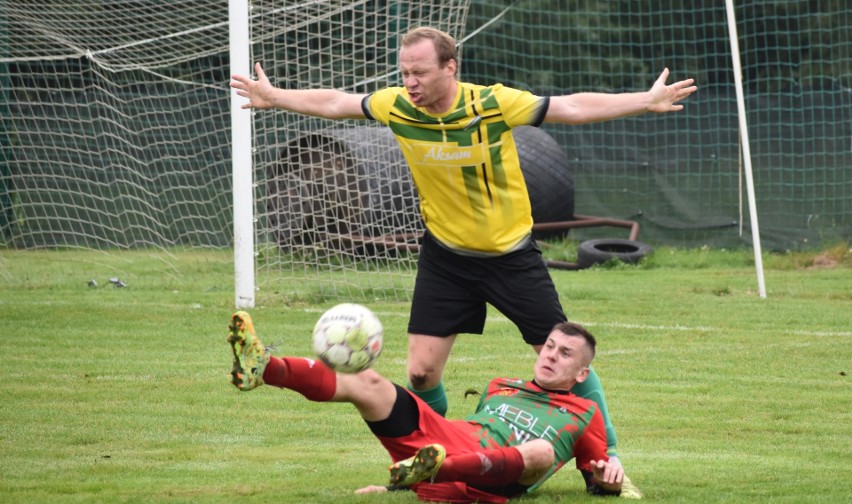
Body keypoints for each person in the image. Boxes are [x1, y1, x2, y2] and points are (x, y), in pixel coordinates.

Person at [230, 25, 695, 493]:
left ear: (450, 67)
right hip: (446, 258)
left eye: (420, 72)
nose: (410, 82)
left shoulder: (490, 104)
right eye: (404, 72)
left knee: (564, 358)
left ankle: (608, 463)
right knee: (420, 371)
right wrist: (276, 95)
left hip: (510, 256)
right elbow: (337, 102)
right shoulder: (398, 106)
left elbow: (570, 106)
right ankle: (432, 459)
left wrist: (643, 100)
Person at [228, 310, 626, 503]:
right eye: (551, 346)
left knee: (539, 450)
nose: (552, 355)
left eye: (566, 354)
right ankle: (265, 368)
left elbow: (599, 479)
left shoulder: (584, 413)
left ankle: (426, 473)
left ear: (581, 373)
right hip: (450, 439)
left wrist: (609, 480)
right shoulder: (501, 385)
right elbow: (473, 429)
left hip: (496, 478)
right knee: (370, 382)